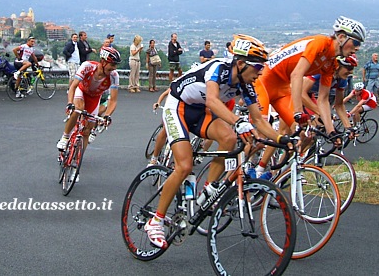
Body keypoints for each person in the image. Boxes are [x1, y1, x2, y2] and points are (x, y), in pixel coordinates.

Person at [144, 34, 290, 249]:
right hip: (178, 106)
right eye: (257, 69)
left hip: (199, 111)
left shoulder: (246, 85)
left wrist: (280, 138)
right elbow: (212, 100)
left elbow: (258, 119)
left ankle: (209, 190)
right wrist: (239, 122)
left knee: (229, 138)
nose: (259, 75)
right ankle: (155, 221)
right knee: (184, 166)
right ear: (240, 64)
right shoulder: (219, 69)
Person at [254, 16, 366, 177]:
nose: (357, 48)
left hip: (282, 87)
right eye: (356, 43)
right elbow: (297, 74)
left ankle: (264, 174)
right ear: (341, 37)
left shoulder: (331, 63)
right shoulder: (320, 43)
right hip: (265, 80)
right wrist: (299, 111)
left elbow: (323, 99)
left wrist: (331, 131)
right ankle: (236, 180)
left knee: (299, 133)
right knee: (260, 134)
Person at [56, 46, 121, 152]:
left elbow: (113, 100)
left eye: (116, 65)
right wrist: (69, 102)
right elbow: (73, 86)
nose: (114, 68)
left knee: (88, 130)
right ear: (103, 62)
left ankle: (77, 156)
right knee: (78, 109)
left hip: (94, 97)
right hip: (81, 90)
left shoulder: (114, 76)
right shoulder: (88, 66)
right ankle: (65, 136)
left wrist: (107, 115)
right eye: (112, 65)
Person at [302, 55, 357, 131]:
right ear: (338, 66)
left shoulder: (341, 80)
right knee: (293, 128)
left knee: (317, 128)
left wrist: (349, 128)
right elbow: (301, 93)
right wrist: (322, 113)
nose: (351, 72)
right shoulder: (321, 71)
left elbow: (339, 105)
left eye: (353, 69)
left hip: (309, 95)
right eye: (349, 68)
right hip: (291, 93)